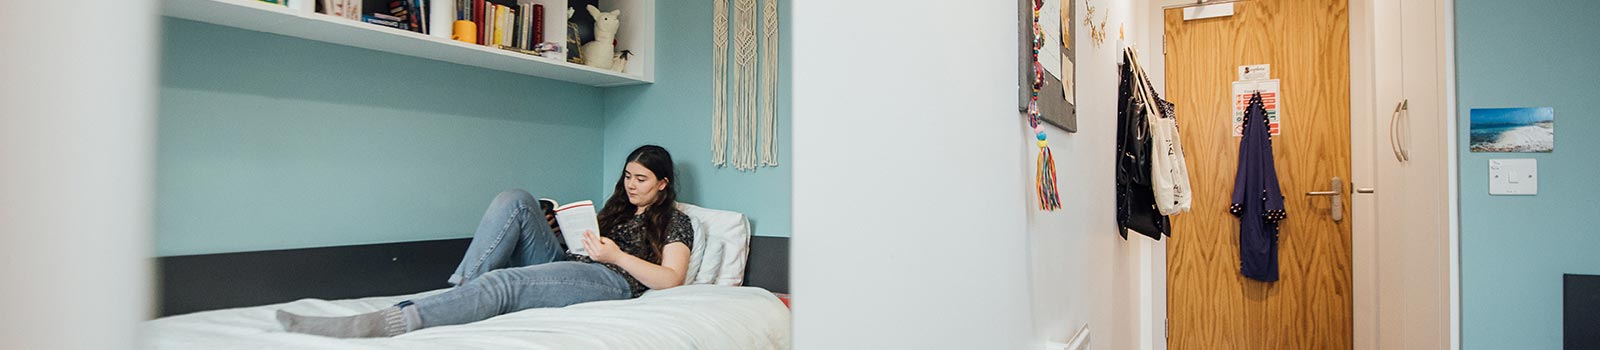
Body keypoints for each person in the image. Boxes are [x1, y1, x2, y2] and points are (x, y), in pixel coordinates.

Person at [276, 145, 694, 338]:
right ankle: (459, 293)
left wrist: (615, 254)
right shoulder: (616, 209)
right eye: (627, 175)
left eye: (641, 179)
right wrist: (555, 230)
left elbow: (671, 279)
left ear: (662, 183)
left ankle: (387, 322)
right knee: (515, 199)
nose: (631, 184)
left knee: (505, 285)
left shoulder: (676, 221)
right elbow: (572, 253)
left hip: (612, 279)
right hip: (579, 260)